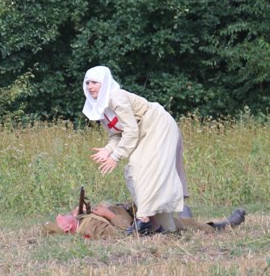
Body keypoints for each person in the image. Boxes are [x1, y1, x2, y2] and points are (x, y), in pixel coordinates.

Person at [82, 65, 189, 234]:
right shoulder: (101, 107)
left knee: (139, 167)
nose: (89, 86)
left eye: (94, 82)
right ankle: (164, 227)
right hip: (142, 130)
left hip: (157, 124)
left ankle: (144, 220)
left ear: (105, 83)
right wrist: (107, 150)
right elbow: (117, 134)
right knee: (133, 173)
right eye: (87, 82)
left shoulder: (116, 97)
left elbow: (131, 131)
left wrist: (115, 157)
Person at [43, 200, 246, 239]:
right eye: (64, 218)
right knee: (178, 223)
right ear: (68, 226)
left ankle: (185, 219)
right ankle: (219, 227)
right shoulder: (92, 227)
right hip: (142, 222)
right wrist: (109, 215)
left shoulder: (82, 219)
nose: (64, 215)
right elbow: (126, 233)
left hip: (133, 208)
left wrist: (82, 209)